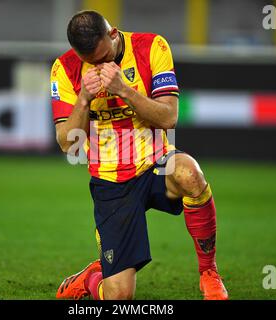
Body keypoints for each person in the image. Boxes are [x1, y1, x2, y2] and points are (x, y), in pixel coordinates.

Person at [51, 10, 228, 300]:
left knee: (190, 173)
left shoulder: (151, 47)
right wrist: (83, 99)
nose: (99, 67)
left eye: (104, 57)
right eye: (90, 62)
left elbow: (169, 117)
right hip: (111, 182)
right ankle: (91, 280)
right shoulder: (65, 67)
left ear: (113, 34)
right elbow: (67, 144)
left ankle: (209, 272)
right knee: (119, 298)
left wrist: (124, 90)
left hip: (155, 162)